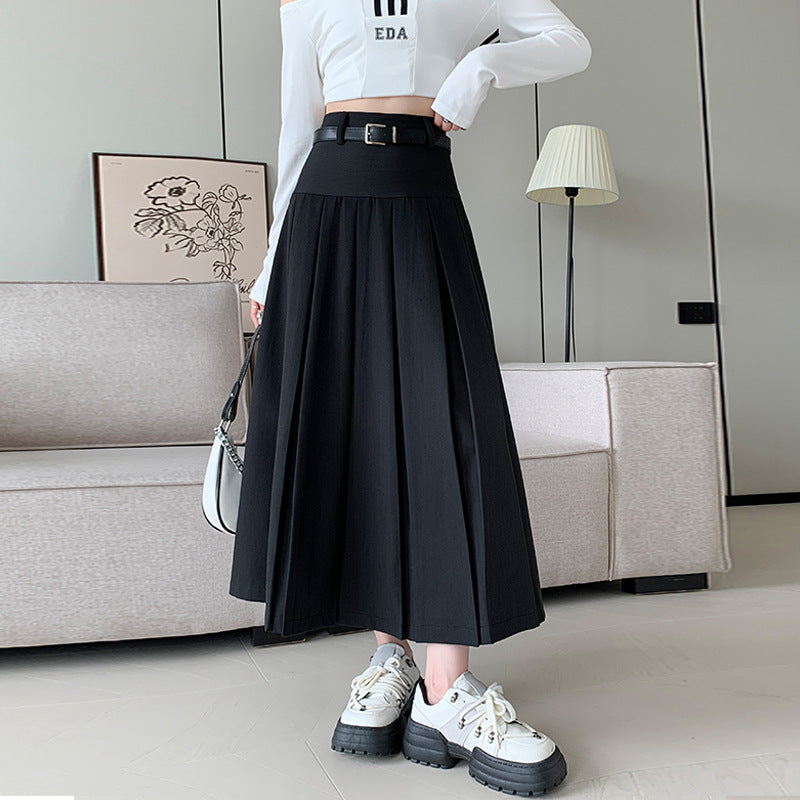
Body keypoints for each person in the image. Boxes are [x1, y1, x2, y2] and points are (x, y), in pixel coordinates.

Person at [228, 0, 591, 794]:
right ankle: (390, 662)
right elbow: (294, 134)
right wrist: (268, 267)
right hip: (325, 202)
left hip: (421, 190)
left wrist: (480, 68)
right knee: (357, 433)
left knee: (442, 425)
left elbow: (570, 42)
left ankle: (445, 693)